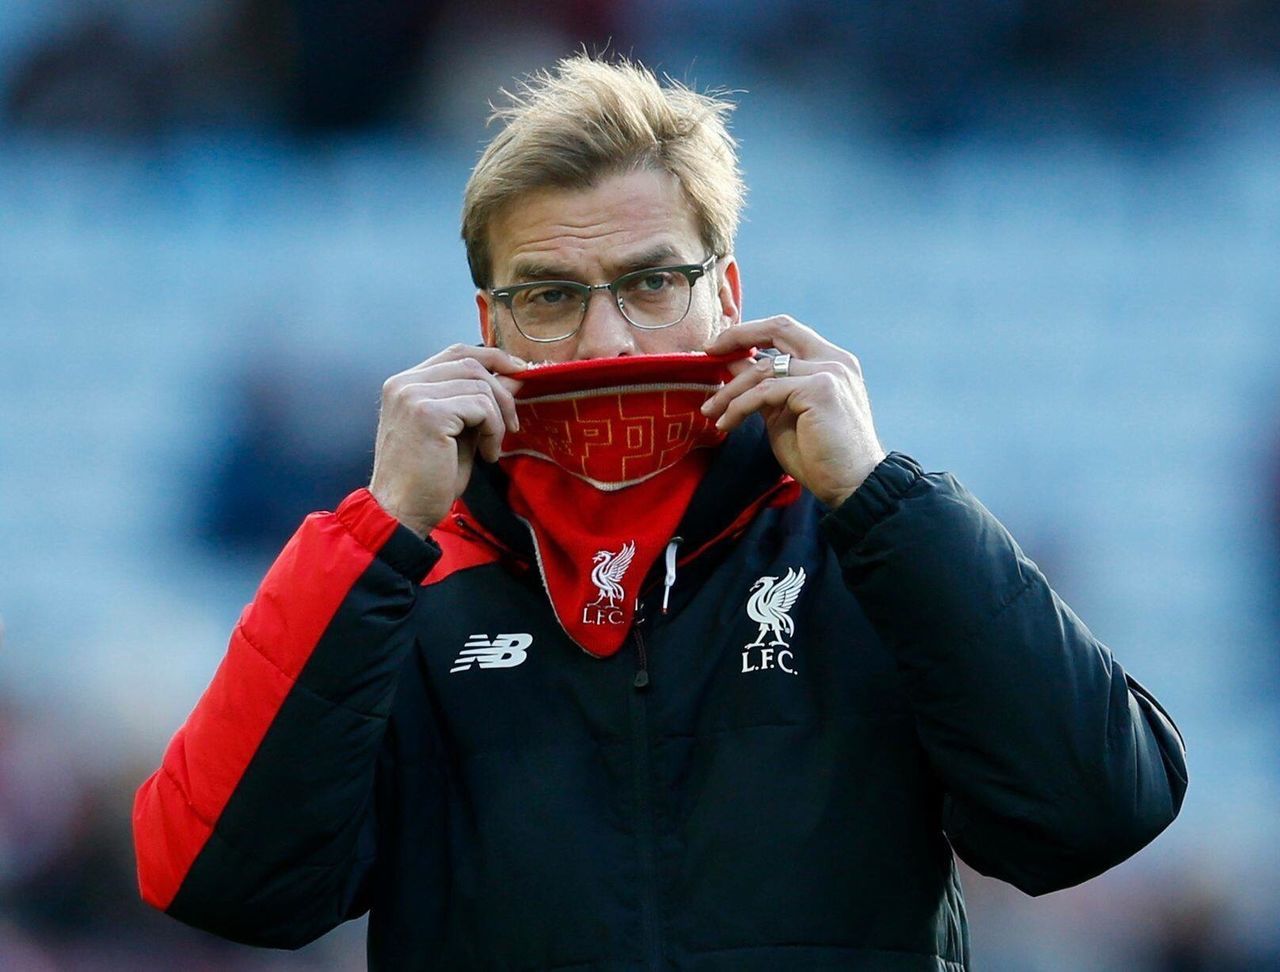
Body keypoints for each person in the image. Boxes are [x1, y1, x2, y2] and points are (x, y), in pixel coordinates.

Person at [133, 55, 1187, 970]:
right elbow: (224, 884)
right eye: (549, 296)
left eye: (648, 283)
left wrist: (879, 497)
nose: (604, 346)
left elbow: (1093, 813)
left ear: (724, 297)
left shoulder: (865, 547)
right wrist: (376, 532)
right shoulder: (406, 578)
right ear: (484, 323)